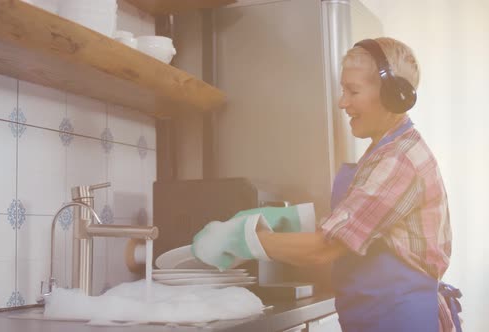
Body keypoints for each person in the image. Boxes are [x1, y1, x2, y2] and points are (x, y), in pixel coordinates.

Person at [192, 37, 462, 332]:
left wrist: (241, 239)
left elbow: (325, 248)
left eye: (353, 91)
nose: (342, 102)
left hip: (398, 320)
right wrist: (291, 222)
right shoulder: (384, 150)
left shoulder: (398, 161)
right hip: (377, 318)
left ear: (391, 95)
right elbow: (358, 226)